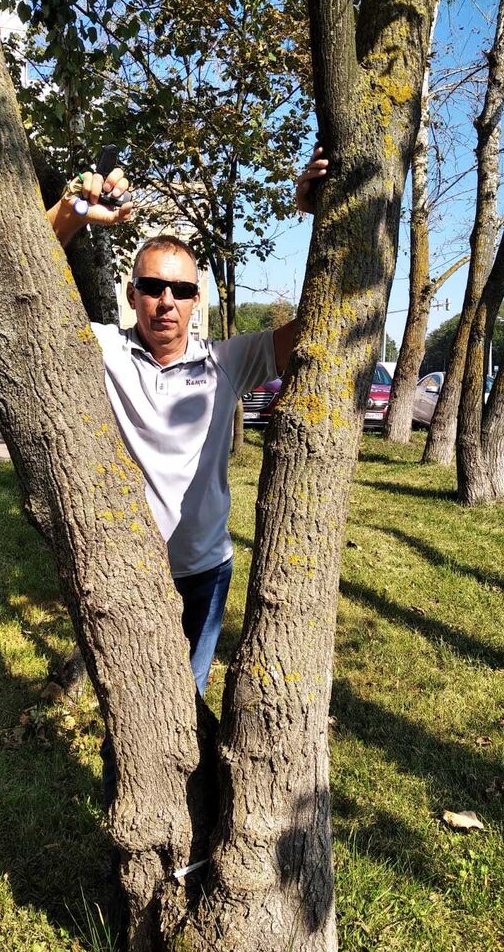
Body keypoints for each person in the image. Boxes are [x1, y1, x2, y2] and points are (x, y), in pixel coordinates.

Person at [46, 149, 328, 696]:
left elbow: (317, 323)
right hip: (128, 570)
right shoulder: (101, 349)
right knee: (135, 707)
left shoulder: (227, 361)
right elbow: (21, 286)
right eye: (153, 287)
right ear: (132, 294)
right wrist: (74, 209)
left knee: (187, 698)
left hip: (205, 570)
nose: (165, 301)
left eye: (180, 290)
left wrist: (321, 213)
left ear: (196, 300)